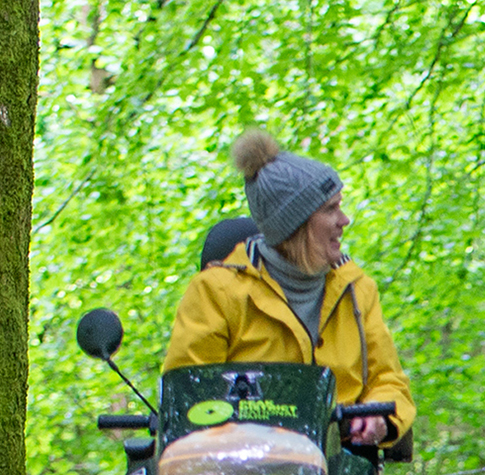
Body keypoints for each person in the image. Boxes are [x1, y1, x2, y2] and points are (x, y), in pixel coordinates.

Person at [168, 149, 412, 458]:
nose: (344, 220)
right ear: (296, 225)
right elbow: (189, 395)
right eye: (331, 209)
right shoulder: (216, 293)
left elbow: (389, 381)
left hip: (342, 471)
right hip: (243, 474)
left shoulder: (357, 290)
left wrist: (380, 418)